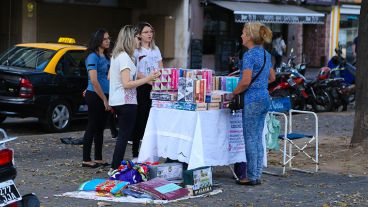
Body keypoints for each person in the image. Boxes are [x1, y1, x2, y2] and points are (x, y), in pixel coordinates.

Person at [109, 25, 160, 170]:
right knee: (124, 137)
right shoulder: (124, 57)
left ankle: (115, 165)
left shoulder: (118, 55)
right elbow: (127, 83)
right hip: (126, 102)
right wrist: (147, 79)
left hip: (120, 101)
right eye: (137, 38)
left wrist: (150, 79)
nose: (139, 41)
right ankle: (115, 167)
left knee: (123, 136)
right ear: (130, 39)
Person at [231, 22, 275, 185]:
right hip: (264, 97)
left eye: (243, 33)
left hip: (252, 100)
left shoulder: (249, 55)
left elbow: (245, 81)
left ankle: (250, 176)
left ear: (250, 36)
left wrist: (233, 93)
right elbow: (272, 78)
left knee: (250, 138)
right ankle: (257, 175)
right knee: (257, 138)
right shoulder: (265, 54)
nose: (241, 36)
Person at [131, 22, 163, 161]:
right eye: (146, 32)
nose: (149, 34)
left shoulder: (156, 49)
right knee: (140, 118)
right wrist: (148, 80)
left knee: (153, 119)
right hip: (141, 87)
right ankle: (135, 152)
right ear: (139, 35)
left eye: (151, 31)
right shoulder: (136, 51)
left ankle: (151, 151)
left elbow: (161, 68)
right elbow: (134, 71)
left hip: (155, 88)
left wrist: (159, 81)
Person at [82, 29, 112, 168]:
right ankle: (86, 159)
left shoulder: (106, 56)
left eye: (108, 38)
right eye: (105, 38)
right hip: (95, 95)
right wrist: (104, 100)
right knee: (92, 126)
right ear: (98, 40)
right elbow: (94, 80)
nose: (108, 41)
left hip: (105, 94)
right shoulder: (92, 56)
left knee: (100, 128)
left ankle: (98, 158)